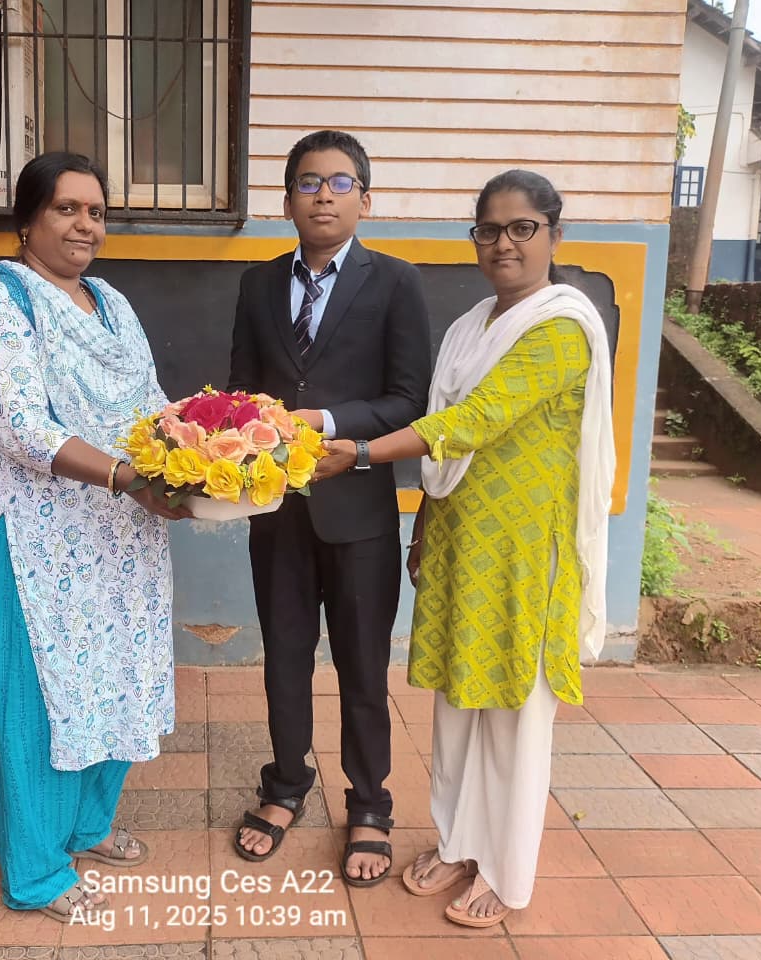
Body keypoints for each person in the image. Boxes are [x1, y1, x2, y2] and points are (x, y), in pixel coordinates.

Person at [314, 169, 616, 926]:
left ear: (555, 235)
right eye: (488, 230)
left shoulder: (562, 327)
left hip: (525, 553)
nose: (504, 244)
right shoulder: (470, 325)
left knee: (513, 716)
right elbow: (449, 453)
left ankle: (505, 874)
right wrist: (425, 523)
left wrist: (359, 452)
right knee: (457, 707)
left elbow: (471, 422)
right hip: (461, 543)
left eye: (522, 228)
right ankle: (457, 843)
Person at [0, 151, 187, 922]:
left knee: (116, 674)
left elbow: (150, 403)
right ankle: (38, 871)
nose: (86, 225)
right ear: (27, 219)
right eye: (66, 209)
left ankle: (88, 826)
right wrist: (126, 477)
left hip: (123, 531)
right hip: (39, 536)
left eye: (96, 212)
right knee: (41, 696)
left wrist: (199, 458)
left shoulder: (110, 302)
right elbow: (21, 426)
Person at [227, 130, 432, 885]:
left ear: (364, 201)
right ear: (287, 200)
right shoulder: (256, 285)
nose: (323, 196)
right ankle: (285, 784)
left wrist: (327, 421)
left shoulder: (396, 283)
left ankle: (370, 802)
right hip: (276, 510)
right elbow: (241, 392)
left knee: (362, 663)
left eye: (340, 183)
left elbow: (409, 399)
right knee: (284, 655)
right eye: (308, 183)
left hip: (360, 514)